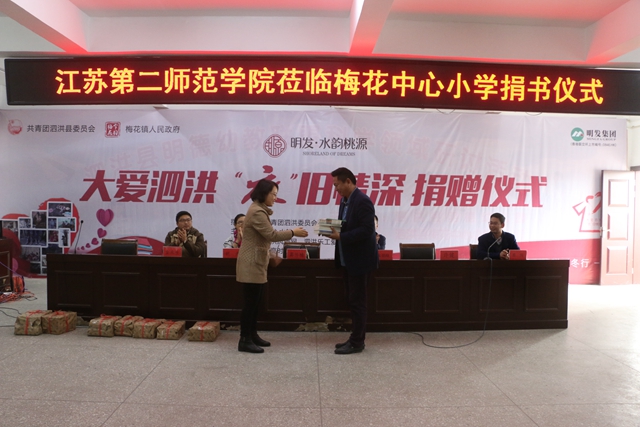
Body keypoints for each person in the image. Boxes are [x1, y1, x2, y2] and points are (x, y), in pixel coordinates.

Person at [236, 179, 308, 353]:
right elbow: (271, 235)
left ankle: (252, 335)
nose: (275, 198)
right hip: (251, 264)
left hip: (257, 262)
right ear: (264, 193)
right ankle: (244, 339)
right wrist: (294, 232)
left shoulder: (259, 209)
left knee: (256, 303)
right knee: (250, 304)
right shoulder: (257, 211)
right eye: (273, 194)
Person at [328, 167, 379, 355]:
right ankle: (354, 337)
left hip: (360, 261)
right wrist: (331, 229)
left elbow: (367, 230)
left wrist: (341, 236)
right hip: (347, 260)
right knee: (352, 300)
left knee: (358, 302)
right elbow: (346, 226)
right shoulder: (345, 201)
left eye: (337, 185)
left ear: (348, 181)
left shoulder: (363, 201)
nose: (336, 189)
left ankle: (357, 342)